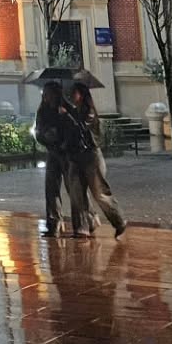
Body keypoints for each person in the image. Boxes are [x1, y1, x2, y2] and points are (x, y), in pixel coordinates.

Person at [69, 80, 125, 237]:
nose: (72, 95)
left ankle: (119, 220)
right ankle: (82, 227)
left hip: (91, 156)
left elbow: (81, 126)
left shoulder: (89, 112)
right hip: (76, 156)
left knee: (99, 192)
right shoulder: (73, 111)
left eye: (75, 92)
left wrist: (68, 112)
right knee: (76, 193)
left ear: (82, 94)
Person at [35, 81, 79, 237]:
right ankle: (53, 223)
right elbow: (38, 131)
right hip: (53, 152)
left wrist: (65, 117)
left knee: (73, 189)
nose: (46, 97)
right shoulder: (43, 111)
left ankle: (81, 224)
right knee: (51, 188)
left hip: (67, 153)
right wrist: (46, 136)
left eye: (48, 93)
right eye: (44, 94)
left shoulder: (66, 109)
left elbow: (75, 128)